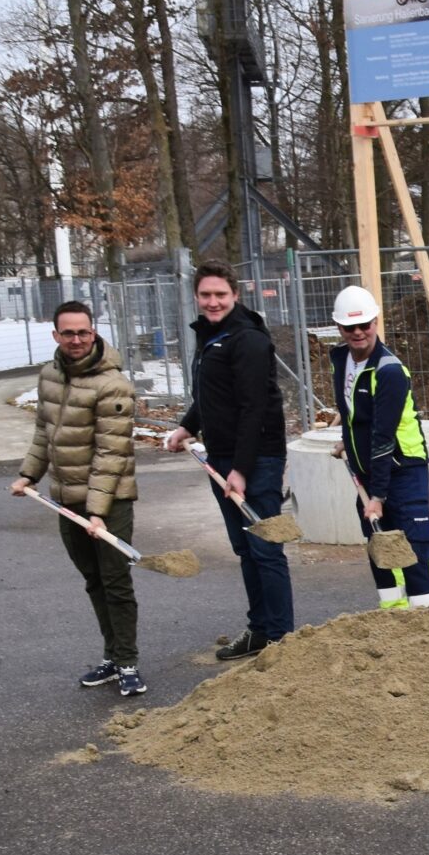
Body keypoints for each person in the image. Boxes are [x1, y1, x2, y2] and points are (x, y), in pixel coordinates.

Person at [12, 301, 144, 696]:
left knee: (115, 581)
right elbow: (44, 433)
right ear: (56, 335)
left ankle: (128, 663)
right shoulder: (50, 375)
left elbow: (112, 452)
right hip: (66, 499)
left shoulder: (112, 384)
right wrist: (27, 474)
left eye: (82, 332)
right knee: (93, 581)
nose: (75, 339)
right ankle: (112, 655)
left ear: (94, 332)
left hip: (110, 502)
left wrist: (97, 513)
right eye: (67, 333)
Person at [164, 260, 294, 659]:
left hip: (257, 459)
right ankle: (260, 630)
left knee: (265, 547)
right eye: (206, 295)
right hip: (222, 458)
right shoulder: (212, 336)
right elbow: (211, 396)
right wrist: (188, 427)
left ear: (235, 295)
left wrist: (240, 469)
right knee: (244, 547)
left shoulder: (247, 339)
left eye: (221, 294)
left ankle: (281, 640)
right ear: (197, 297)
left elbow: (255, 408)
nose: (213, 301)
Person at [330, 285, 429, 609]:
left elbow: (383, 435)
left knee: (412, 548)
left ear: (377, 321)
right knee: (380, 545)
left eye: (366, 324)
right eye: (350, 327)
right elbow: (354, 415)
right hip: (370, 469)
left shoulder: (389, 371)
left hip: (403, 467)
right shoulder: (341, 360)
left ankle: (425, 620)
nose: (359, 332)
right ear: (339, 328)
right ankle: (393, 620)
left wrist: (377, 496)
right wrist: (347, 442)